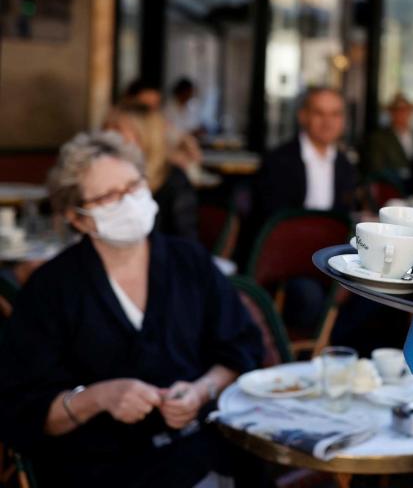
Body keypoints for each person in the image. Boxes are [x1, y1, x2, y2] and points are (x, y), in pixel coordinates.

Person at [0, 131, 263, 487]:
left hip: (200, 454)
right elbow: (24, 412)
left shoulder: (190, 262)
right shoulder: (52, 288)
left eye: (134, 186)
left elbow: (241, 349)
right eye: (110, 196)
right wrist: (97, 398)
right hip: (100, 470)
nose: (128, 201)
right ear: (78, 218)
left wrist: (202, 390)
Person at [249, 87, 357, 334]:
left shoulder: (346, 166)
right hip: (288, 265)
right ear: (303, 116)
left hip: (333, 261)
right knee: (309, 297)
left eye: (335, 114)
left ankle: (338, 354)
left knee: (372, 296)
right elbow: (269, 224)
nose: (328, 122)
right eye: (319, 113)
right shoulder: (278, 162)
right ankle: (305, 357)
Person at [104, 105, 199, 242]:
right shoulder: (104, 177)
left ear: (145, 136)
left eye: (116, 129)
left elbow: (185, 243)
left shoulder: (174, 181)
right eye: (105, 128)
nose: (107, 136)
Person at [361, 93, 413, 182]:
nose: (403, 114)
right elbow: (377, 169)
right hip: (393, 187)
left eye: (406, 110)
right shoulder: (378, 138)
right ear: (391, 113)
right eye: (398, 110)